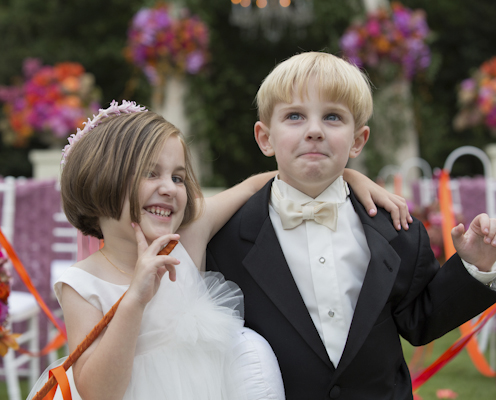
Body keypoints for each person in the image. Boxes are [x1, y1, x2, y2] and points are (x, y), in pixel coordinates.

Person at [28, 100, 411, 400]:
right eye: (150, 173)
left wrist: (347, 176)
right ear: (101, 179)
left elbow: (258, 184)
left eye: (178, 176)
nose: (170, 187)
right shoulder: (83, 283)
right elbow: (98, 393)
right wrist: (134, 301)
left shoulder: (186, 241)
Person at [206, 51, 496, 400]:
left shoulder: (397, 229)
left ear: (358, 140)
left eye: (332, 117)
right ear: (265, 137)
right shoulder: (226, 241)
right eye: (295, 116)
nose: (314, 131)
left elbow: (421, 320)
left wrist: (476, 266)